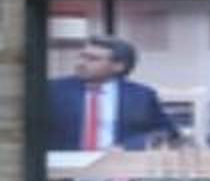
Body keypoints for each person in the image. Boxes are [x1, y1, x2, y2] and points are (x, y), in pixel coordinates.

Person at [45, 36, 178, 153]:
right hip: (65, 163)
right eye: (82, 56)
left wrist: (127, 147)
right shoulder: (53, 90)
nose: (81, 63)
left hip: (118, 162)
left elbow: (167, 132)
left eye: (92, 59)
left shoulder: (141, 95)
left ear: (118, 66)